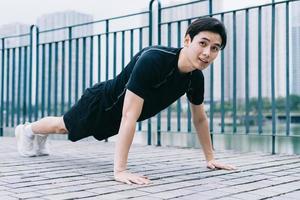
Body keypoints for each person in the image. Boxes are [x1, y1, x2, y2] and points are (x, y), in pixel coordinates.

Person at [15, 17, 236, 185]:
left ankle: (38, 136)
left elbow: (200, 118)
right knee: (63, 126)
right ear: (187, 40)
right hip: (102, 103)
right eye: (203, 43)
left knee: (68, 129)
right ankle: (27, 130)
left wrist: (210, 158)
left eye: (215, 48)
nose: (207, 53)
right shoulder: (154, 59)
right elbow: (129, 114)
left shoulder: (195, 78)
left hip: (118, 117)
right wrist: (120, 170)